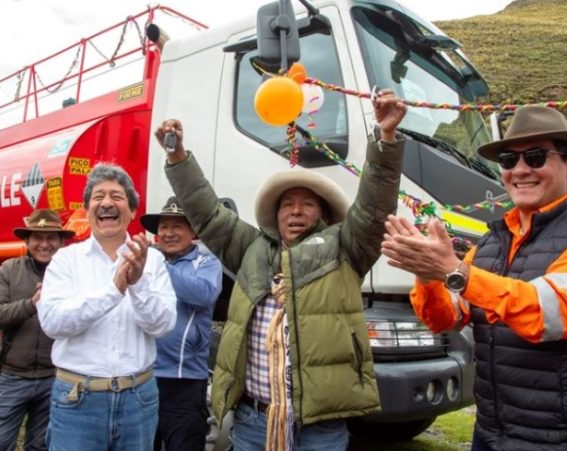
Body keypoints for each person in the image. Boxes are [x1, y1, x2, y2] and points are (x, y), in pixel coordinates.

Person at [154, 90, 407, 451]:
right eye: (288, 204)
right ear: (275, 214)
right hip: (255, 421)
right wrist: (177, 157)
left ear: (322, 214)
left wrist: (385, 140)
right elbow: (207, 213)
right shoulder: (251, 249)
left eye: (307, 204)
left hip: (321, 426)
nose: (296, 211)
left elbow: (374, 209)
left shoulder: (347, 248)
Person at [381, 105, 567, 451]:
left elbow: (551, 314)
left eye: (535, 157)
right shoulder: (489, 243)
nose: (520, 170)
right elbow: (445, 319)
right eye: (508, 160)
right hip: (491, 435)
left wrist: (453, 271)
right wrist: (427, 275)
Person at [37, 163, 177, 451]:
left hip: (139, 399)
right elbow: (53, 323)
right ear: (87, 210)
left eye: (117, 196)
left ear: (132, 210)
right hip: (78, 399)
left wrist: (137, 285)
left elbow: (163, 325)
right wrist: (114, 291)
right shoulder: (65, 260)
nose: (107, 203)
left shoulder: (152, 261)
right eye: (98, 197)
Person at [0, 209, 75, 451]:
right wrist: (31, 303)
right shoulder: (9, 270)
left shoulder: (72, 273)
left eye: (51, 237)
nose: (44, 244)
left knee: (41, 445)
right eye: (37, 237)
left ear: (61, 241)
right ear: (27, 240)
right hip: (12, 376)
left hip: (54, 377)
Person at [140, 197, 223, 451]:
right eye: (164, 227)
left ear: (193, 232)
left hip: (185, 380)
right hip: (143, 377)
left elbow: (203, 293)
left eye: (177, 226)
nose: (169, 233)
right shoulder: (147, 262)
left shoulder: (207, 263)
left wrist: (157, 265)